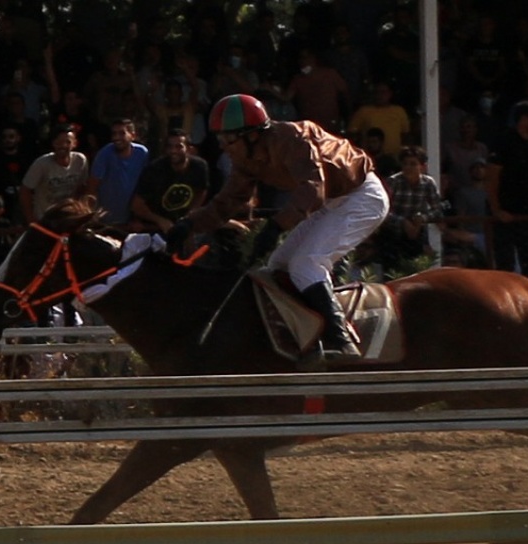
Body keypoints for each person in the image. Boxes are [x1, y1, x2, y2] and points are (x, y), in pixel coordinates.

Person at [166, 94, 389, 364]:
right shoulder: (246, 158)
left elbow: (312, 189)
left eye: (229, 140)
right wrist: (188, 224)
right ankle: (310, 335)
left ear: (252, 135)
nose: (224, 147)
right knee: (278, 265)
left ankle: (342, 341)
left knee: (306, 264)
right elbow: (226, 203)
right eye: (221, 140)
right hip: (331, 202)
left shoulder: (292, 138)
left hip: (363, 197)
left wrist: (274, 228)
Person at [487, 100, 528, 276]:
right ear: (524, 119)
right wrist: (497, 210)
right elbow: (492, 178)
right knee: (505, 265)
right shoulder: (503, 140)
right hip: (505, 213)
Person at [367, 145, 444, 276]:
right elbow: (382, 210)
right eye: (405, 164)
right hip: (392, 234)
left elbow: (438, 209)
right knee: (392, 274)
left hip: (416, 233)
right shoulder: (393, 182)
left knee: (416, 273)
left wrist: (422, 218)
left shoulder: (428, 183)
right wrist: (403, 222)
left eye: (413, 164)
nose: (408, 168)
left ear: (422, 166)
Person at [130, 129, 209, 235]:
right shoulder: (155, 169)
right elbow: (137, 205)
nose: (173, 151)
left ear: (189, 149)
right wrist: (160, 220)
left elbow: (202, 190)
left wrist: (191, 213)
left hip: (183, 223)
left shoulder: (199, 167)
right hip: (156, 226)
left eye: (179, 146)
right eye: (170, 147)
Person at [19, 124, 89, 225]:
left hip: (69, 218)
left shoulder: (80, 161)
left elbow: (82, 187)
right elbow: (25, 191)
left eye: (67, 142)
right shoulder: (42, 164)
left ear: (74, 143)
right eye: (59, 142)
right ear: (53, 143)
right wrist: (31, 219)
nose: (63, 146)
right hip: (46, 219)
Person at [86, 117, 148, 227]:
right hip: (105, 219)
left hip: (131, 219)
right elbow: (92, 187)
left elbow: (144, 184)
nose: (116, 138)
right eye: (114, 134)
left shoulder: (142, 153)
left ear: (132, 135)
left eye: (121, 133)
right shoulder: (104, 155)